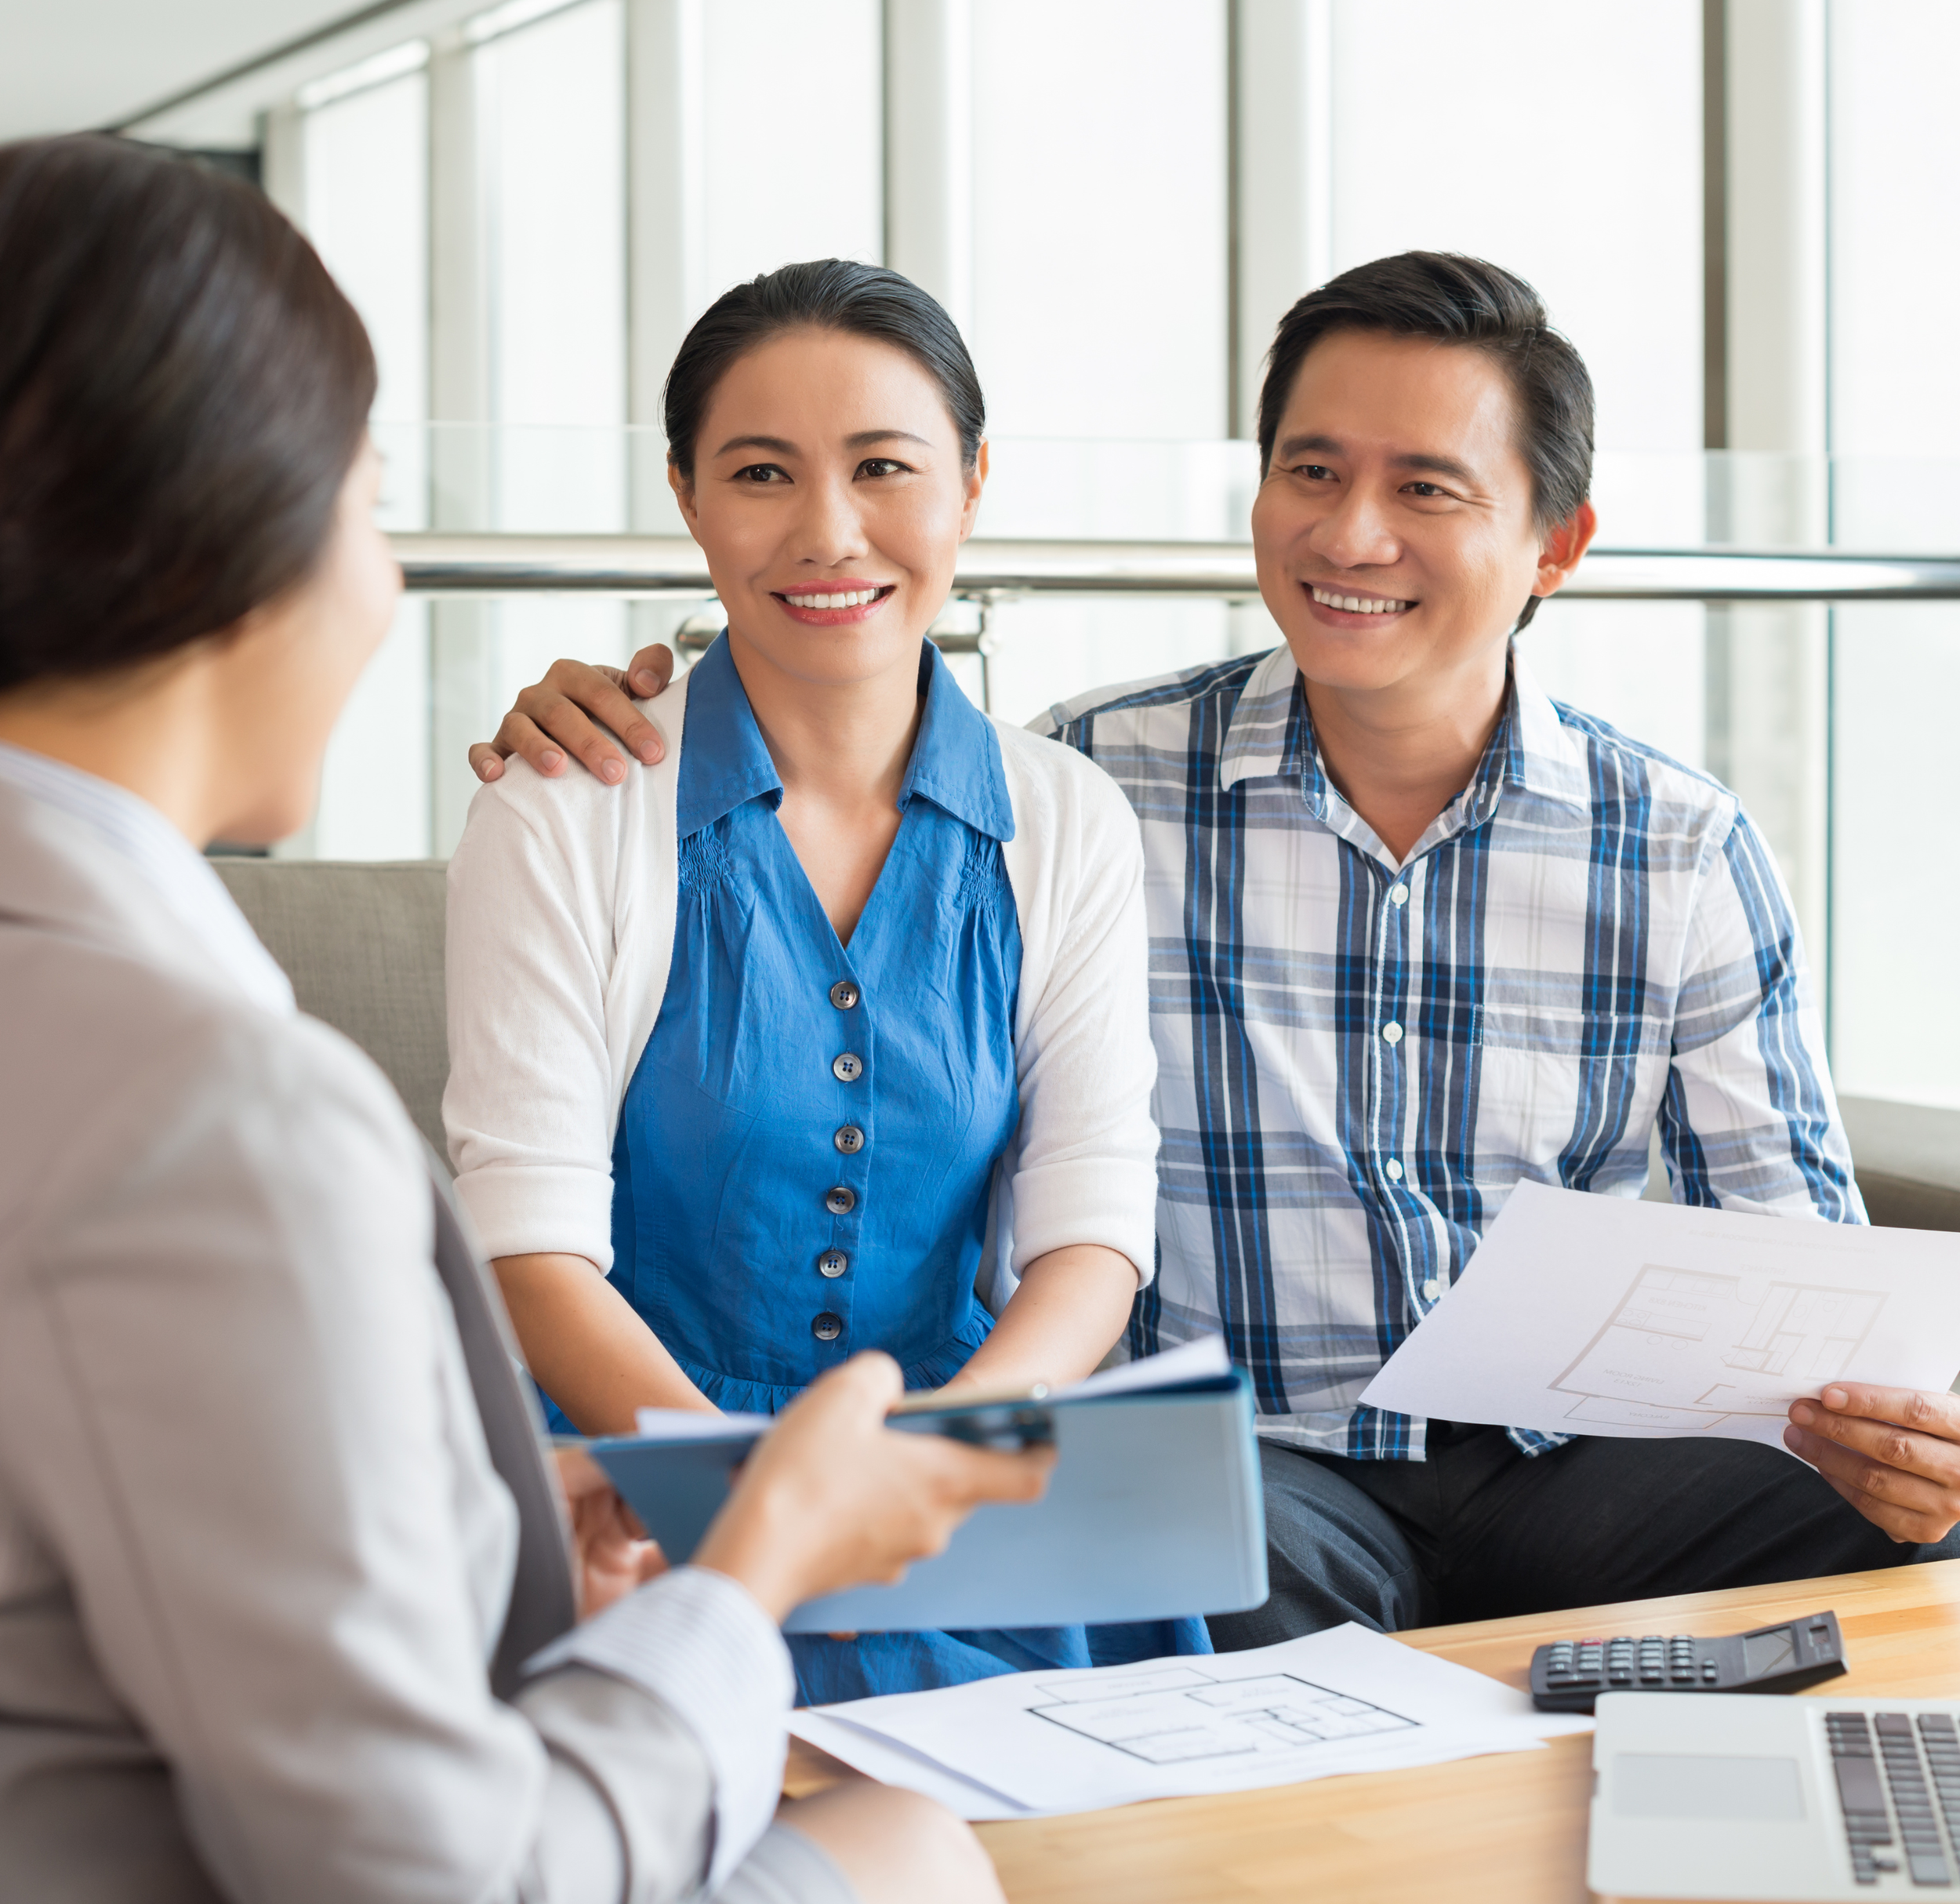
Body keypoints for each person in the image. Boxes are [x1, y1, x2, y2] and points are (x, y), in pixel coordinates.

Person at [479, 249, 1960, 1648]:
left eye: (1424, 487)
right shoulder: (1088, 781)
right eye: (1311, 471)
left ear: (1553, 545)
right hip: (1260, 1456)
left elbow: (1796, 1268)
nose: (1349, 534)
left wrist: (1902, 1436)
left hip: (1581, 1465)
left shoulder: (1680, 848)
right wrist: (593, 698)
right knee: (1184, 1560)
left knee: (1919, 1535)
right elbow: (835, 708)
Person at [0, 134, 1047, 1904]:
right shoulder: (217, 1113)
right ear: (234, 535)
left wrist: (477, 1507)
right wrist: (752, 1568)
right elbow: (429, 1872)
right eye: (373, 495)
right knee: (920, 1848)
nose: (388, 578)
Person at [442, 257, 1207, 1706]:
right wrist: (771, 1511)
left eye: (883, 468)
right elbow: (530, 1244)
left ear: (973, 483)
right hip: (634, 1488)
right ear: (684, 493)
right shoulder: (560, 807)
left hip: (958, 1478)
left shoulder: (1067, 819)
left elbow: (1093, 1221)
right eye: (760, 472)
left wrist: (940, 1463)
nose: (827, 530)